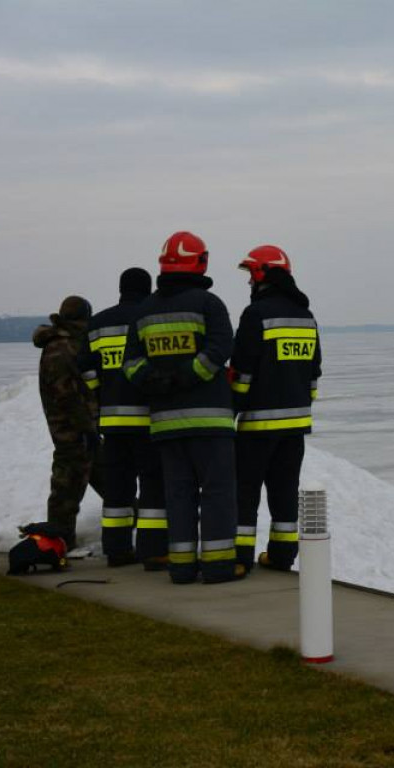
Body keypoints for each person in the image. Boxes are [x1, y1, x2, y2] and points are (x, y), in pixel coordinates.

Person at [122, 231, 242, 584]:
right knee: (218, 492)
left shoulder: (144, 311)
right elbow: (221, 349)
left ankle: (182, 567)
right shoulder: (209, 304)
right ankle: (219, 566)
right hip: (210, 421)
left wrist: (156, 381)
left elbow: (130, 364)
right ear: (200, 262)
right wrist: (186, 376)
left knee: (178, 495)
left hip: (164, 425)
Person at [229, 245, 322, 573]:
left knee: (245, 494)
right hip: (295, 427)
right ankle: (282, 556)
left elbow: (242, 373)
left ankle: (239, 560)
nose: (249, 283)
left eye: (251, 275)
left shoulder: (255, 315)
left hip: (256, 426)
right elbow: (313, 375)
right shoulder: (306, 316)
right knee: (284, 494)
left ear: (261, 275)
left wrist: (231, 410)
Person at [79, 268, 168, 569]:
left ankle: (116, 551)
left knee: (117, 488)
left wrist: (102, 393)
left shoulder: (98, 323)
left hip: (114, 422)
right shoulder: (150, 319)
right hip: (148, 420)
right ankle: (152, 551)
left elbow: (86, 370)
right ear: (149, 288)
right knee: (153, 485)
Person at [33, 295, 103, 550]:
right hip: (71, 432)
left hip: (80, 430)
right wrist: (87, 428)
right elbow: (68, 396)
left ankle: (132, 525)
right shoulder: (61, 349)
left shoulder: (67, 345)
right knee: (66, 490)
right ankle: (59, 543)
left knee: (110, 480)